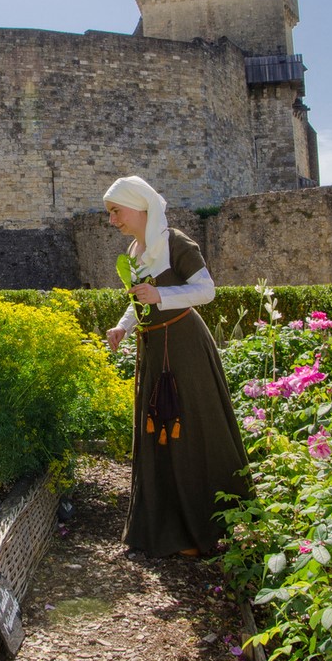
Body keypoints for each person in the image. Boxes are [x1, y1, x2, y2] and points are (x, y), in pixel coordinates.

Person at [104, 175, 251, 559]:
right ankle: (165, 530)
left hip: (185, 348)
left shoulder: (176, 243)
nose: (112, 219)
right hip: (155, 350)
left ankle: (206, 528)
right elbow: (141, 300)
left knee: (194, 430)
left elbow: (206, 290)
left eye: (116, 211)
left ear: (138, 206)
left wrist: (161, 294)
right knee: (160, 433)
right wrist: (123, 326)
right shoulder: (137, 251)